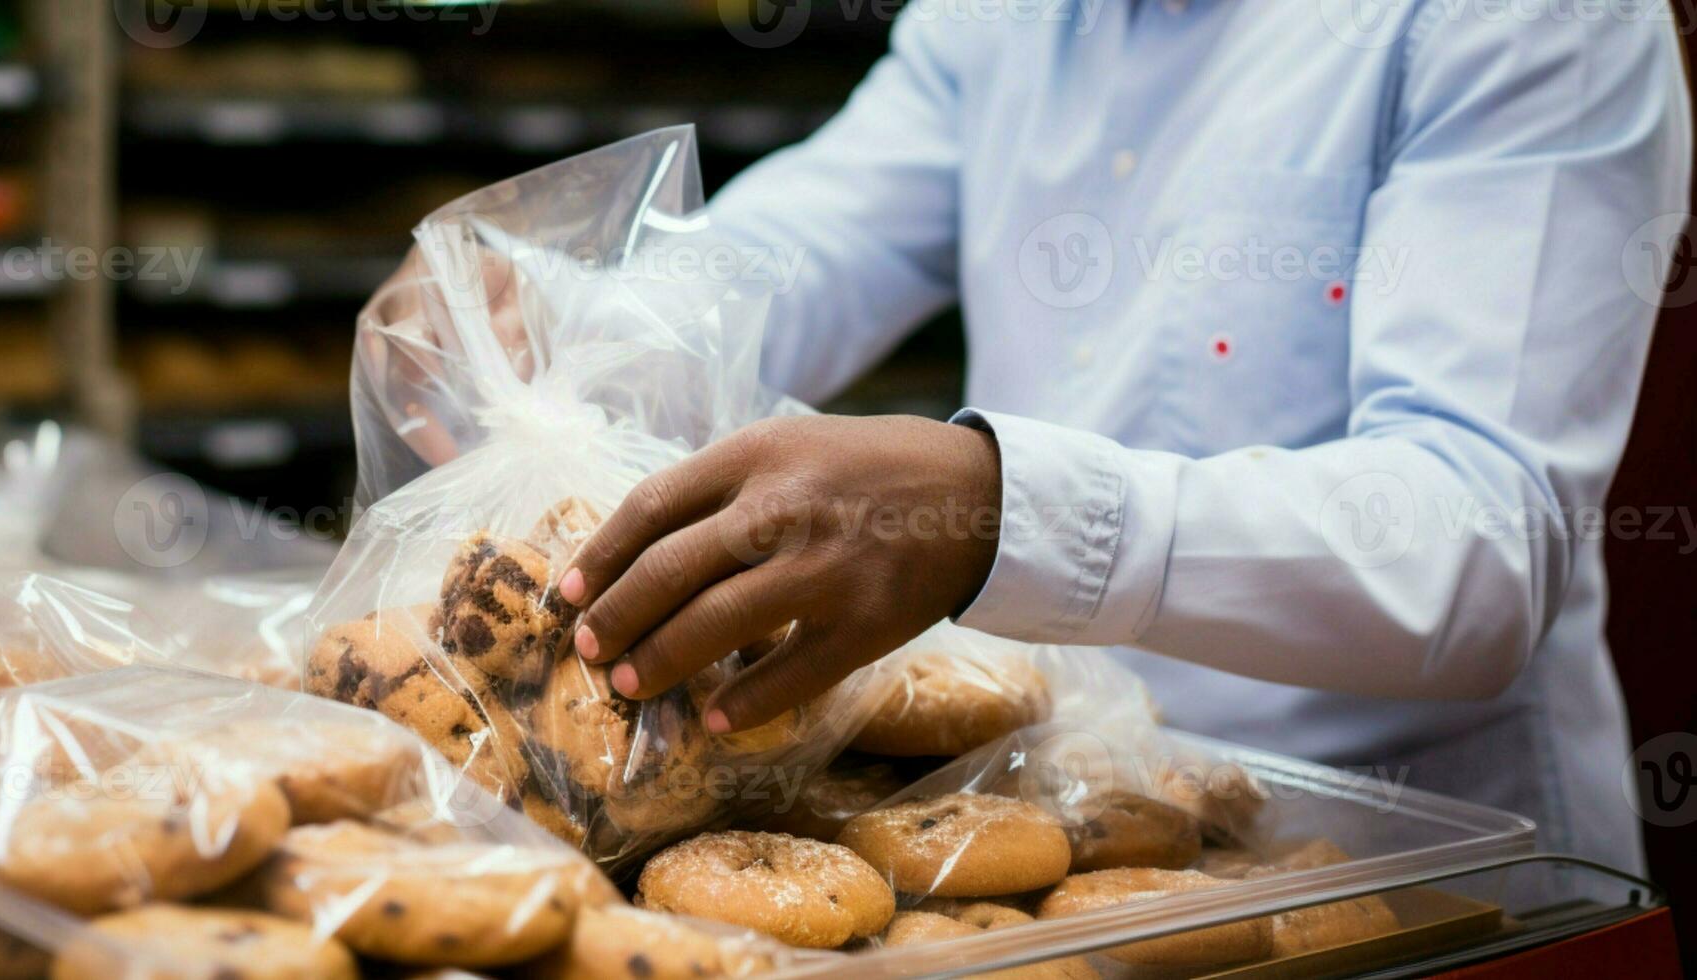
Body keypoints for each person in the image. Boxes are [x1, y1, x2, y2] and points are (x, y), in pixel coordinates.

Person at [380, 1, 1692, 880]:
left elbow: (1477, 543)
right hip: (1043, 806)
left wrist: (994, 510)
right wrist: (549, 318)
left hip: (1405, 858)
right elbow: (810, 249)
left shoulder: (1527, 20)